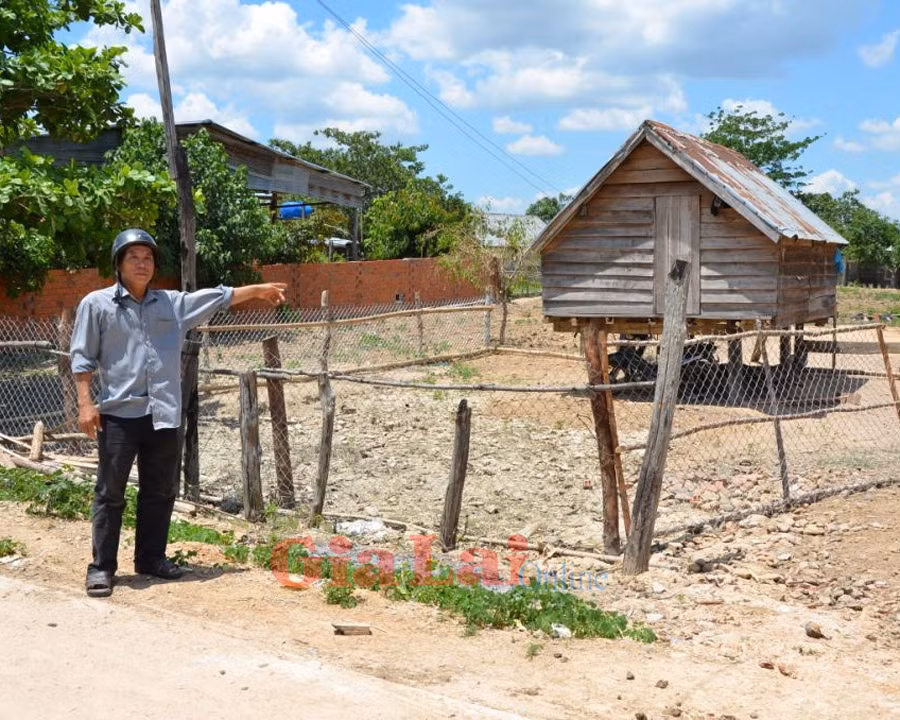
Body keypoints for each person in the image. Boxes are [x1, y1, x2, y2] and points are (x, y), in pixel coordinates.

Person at [71, 229, 287, 598]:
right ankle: (102, 567)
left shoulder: (171, 304)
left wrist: (256, 290)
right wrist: (86, 403)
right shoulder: (97, 304)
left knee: (160, 491)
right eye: (133, 257)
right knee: (110, 493)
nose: (142, 264)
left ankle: (151, 559)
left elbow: (217, 297)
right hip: (120, 415)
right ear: (119, 264)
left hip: (163, 414)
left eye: (148, 258)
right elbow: (82, 357)